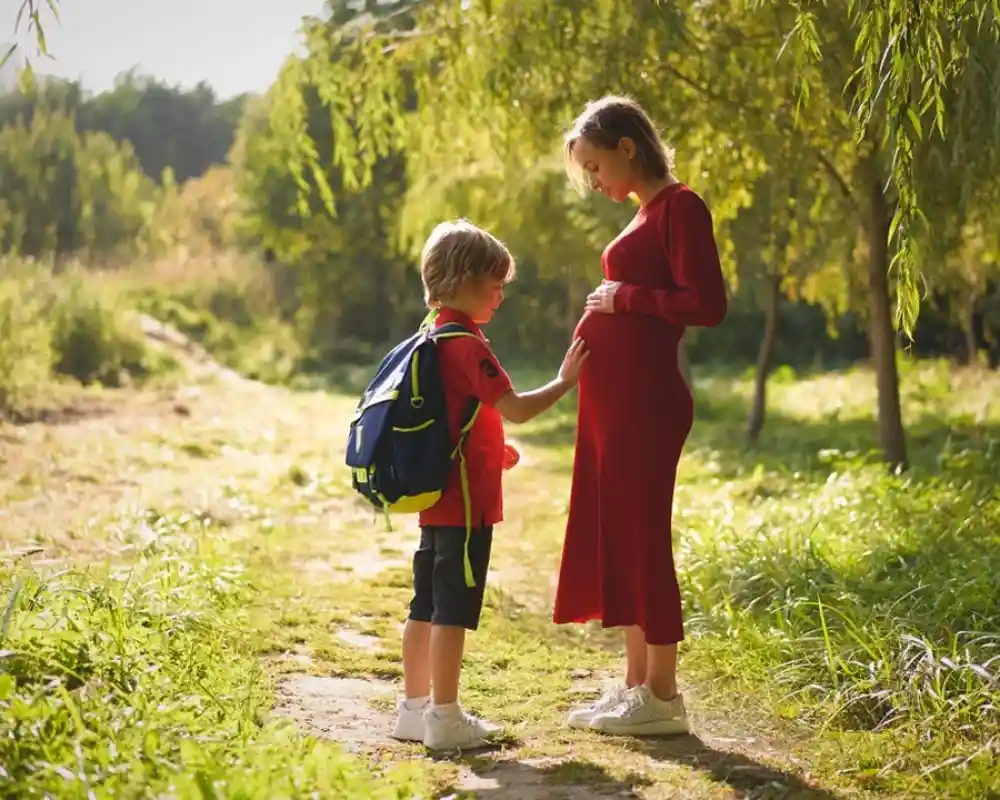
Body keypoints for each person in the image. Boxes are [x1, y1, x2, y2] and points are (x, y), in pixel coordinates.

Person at [553, 96, 728, 736]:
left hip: (645, 402)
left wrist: (626, 297)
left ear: (628, 147)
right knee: (621, 536)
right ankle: (635, 687)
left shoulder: (681, 207)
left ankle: (663, 695)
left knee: (644, 538)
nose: (595, 182)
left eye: (596, 166)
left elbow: (705, 304)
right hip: (614, 403)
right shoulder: (644, 214)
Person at [392, 219, 590, 751]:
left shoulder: (430, 334)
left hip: (436, 501)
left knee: (424, 605)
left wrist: (486, 448)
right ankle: (446, 717)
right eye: (494, 282)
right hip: (465, 509)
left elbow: (450, 416)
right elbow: (519, 408)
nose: (501, 293)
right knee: (452, 611)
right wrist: (566, 381)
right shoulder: (467, 344)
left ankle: (413, 709)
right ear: (462, 279)